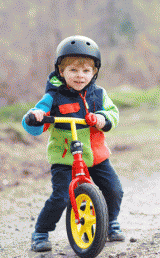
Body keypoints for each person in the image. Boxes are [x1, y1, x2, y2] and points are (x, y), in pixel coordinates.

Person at [22, 35, 125, 252]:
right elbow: (34, 121)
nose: (80, 76)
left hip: (95, 156)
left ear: (94, 72)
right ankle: (41, 231)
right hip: (65, 158)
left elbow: (113, 114)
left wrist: (102, 119)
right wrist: (36, 116)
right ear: (61, 71)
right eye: (73, 71)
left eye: (86, 71)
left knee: (114, 190)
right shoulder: (54, 96)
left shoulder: (99, 94)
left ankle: (110, 221)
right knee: (60, 196)